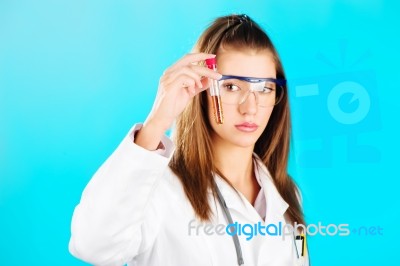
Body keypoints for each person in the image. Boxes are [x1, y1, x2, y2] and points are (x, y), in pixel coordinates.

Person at [69, 14, 310, 266]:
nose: (250, 107)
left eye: (264, 89)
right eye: (231, 87)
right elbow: (93, 246)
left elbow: (302, 259)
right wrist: (156, 123)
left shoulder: (287, 194)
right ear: (203, 89)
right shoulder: (159, 189)